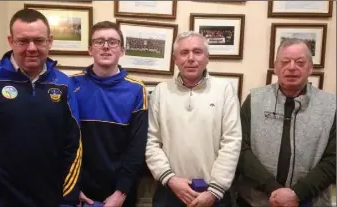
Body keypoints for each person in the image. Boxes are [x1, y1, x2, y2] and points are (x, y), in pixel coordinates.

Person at [0, 8, 81, 207]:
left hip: (49, 200)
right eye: (23, 41)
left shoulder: (63, 84)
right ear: (11, 41)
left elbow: (73, 145)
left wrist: (68, 199)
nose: (32, 48)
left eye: (39, 40)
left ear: (50, 41)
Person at [145, 31, 242, 207]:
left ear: (207, 58)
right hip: (170, 191)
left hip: (213, 194)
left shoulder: (224, 90)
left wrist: (214, 190)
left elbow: (232, 142)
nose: (191, 58)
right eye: (184, 52)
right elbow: (151, 141)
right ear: (175, 59)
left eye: (197, 52)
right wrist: (171, 179)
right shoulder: (161, 91)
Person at [235, 38, 336, 207]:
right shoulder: (255, 100)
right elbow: (241, 148)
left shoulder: (331, 106)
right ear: (276, 66)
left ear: (310, 68)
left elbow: (333, 159)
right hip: (255, 201)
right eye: (285, 62)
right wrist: (272, 188)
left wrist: (297, 193)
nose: (291, 67)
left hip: (310, 201)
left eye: (300, 62)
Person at [70, 21, 148, 207]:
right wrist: (73, 188)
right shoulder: (70, 85)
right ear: (90, 49)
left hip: (120, 193)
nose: (106, 46)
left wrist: (120, 193)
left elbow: (136, 148)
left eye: (113, 42)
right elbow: (63, 141)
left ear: (122, 50)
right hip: (78, 190)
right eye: (99, 41)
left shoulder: (137, 89)